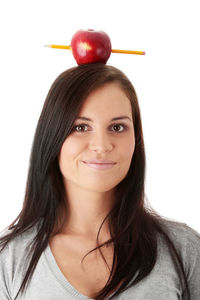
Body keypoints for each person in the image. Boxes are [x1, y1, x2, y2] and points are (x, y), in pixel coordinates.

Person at [0, 63, 200, 300]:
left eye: (117, 127)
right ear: (52, 137)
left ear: (136, 140)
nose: (102, 145)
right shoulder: (9, 258)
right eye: (81, 127)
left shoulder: (184, 250)